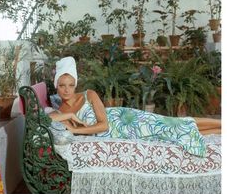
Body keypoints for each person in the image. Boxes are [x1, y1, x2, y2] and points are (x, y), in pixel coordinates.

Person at [48, 56, 221, 156]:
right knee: (170, 135)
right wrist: (70, 116)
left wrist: (75, 129)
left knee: (172, 123)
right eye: (62, 85)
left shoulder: (89, 94)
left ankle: (222, 124)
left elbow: (103, 125)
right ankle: (221, 130)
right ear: (56, 85)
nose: (66, 90)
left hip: (126, 120)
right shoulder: (61, 111)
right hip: (120, 133)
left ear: (76, 84)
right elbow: (47, 117)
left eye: (71, 85)